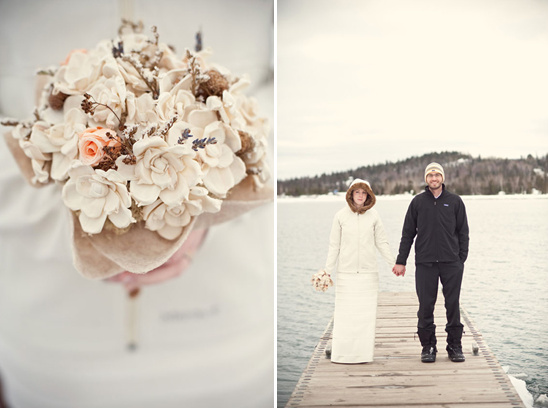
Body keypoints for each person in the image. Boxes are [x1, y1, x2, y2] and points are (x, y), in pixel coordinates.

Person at [392, 162, 469, 363]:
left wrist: (461, 259)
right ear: (426, 179)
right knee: (426, 305)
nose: (434, 178)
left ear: (442, 177)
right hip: (425, 263)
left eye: (437, 175)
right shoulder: (417, 202)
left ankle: (455, 346)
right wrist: (401, 261)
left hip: (451, 263)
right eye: (430, 175)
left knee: (452, 305)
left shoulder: (455, 201)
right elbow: (407, 234)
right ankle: (428, 347)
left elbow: (463, 233)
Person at [323, 178, 398, 364]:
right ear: (350, 194)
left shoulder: (374, 216)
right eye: (357, 192)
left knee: (365, 317)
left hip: (368, 274)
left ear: (369, 195)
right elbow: (334, 245)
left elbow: (381, 242)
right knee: (345, 315)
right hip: (346, 274)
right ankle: (342, 355)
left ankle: (363, 355)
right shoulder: (340, 216)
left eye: (364, 193)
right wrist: (327, 270)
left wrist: (393, 263)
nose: (360, 196)